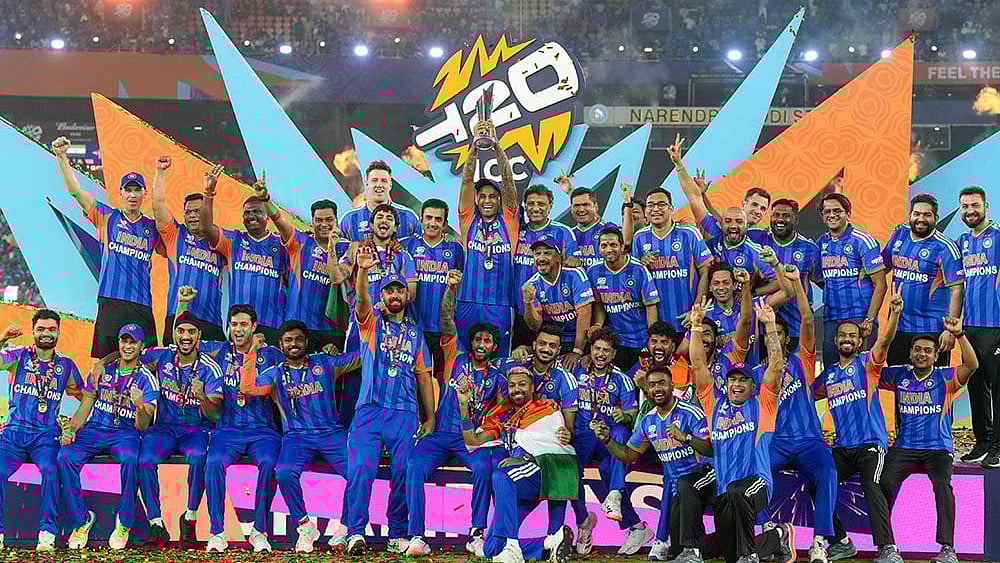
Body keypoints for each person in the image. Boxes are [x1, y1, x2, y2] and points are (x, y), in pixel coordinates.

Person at [403, 270, 505, 557]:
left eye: (487, 341)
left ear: (495, 347)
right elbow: (447, 319)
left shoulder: (498, 377)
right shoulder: (456, 357)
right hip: (439, 434)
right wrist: (451, 290)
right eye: (478, 339)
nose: (481, 344)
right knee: (414, 467)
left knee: (483, 469)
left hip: (468, 439)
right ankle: (416, 535)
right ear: (471, 342)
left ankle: (476, 533)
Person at [240, 320, 360, 553]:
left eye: (298, 339)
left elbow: (360, 357)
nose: (293, 344)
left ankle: (345, 528)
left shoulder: (325, 363)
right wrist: (251, 353)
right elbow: (248, 388)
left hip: (331, 433)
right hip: (297, 437)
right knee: (284, 473)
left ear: (306, 342)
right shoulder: (275, 374)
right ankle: (304, 527)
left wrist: (369, 331)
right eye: (288, 340)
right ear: (281, 345)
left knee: (357, 472)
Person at [344, 250, 435, 555]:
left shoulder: (416, 333)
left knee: (403, 471)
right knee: (361, 468)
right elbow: (360, 303)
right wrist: (362, 272)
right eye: (389, 291)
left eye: (399, 290)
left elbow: (423, 376)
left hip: (405, 412)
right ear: (381, 295)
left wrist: (430, 416)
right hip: (370, 409)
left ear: (407, 296)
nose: (394, 295)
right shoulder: (371, 324)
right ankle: (355, 532)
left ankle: (397, 533)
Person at [690, 301, 793, 563]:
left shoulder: (763, 404)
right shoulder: (714, 404)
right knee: (730, 554)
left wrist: (770, 326)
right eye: (733, 379)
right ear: (726, 384)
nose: (737, 384)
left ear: (752, 385)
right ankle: (777, 537)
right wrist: (696, 326)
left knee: (738, 491)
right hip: (725, 492)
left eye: (743, 380)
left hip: (757, 484)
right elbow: (699, 365)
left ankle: (750, 555)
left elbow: (776, 367)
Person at [181, 289, 283, 553]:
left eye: (243, 325)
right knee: (213, 462)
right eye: (234, 325)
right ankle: (217, 533)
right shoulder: (218, 350)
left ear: (254, 327)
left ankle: (259, 531)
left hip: (262, 430)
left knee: (269, 464)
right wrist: (182, 306)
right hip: (228, 429)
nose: (238, 330)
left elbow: (299, 359)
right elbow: (184, 341)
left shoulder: (271, 355)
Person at [813, 283, 904, 563]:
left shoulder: (867, 364)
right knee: (818, 482)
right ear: (835, 341)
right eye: (842, 335)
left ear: (860, 341)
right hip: (842, 448)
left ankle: (888, 548)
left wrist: (893, 314)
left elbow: (884, 342)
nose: (847, 339)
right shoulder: (828, 375)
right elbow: (805, 397)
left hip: (870, 445)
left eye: (852, 335)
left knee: (871, 485)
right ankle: (841, 541)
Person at [756, 266, 839, 563]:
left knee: (828, 473)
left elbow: (807, 319)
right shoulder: (755, 374)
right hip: (775, 441)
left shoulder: (802, 361)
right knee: (752, 475)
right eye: (770, 334)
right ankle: (771, 532)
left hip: (808, 440)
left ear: (786, 339)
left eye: (779, 334)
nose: (774, 339)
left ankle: (819, 543)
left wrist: (797, 285)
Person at [53, 136, 163, 356]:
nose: (132, 195)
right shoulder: (107, 217)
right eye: (128, 190)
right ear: (121, 193)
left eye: (137, 190)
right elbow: (75, 191)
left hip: (141, 303)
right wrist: (61, 156)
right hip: (110, 300)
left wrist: (161, 173)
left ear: (145, 194)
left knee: (146, 360)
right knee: (105, 361)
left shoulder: (153, 227)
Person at [594, 363, 715, 563]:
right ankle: (701, 548)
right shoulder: (647, 421)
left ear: (671, 386)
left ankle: (693, 553)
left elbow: (710, 449)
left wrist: (685, 437)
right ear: (647, 390)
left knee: (686, 485)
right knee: (677, 547)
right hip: (678, 489)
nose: (657, 388)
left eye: (662, 383)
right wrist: (608, 441)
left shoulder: (690, 412)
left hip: (706, 476)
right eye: (652, 385)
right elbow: (629, 455)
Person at [879, 320, 978, 563]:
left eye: (927, 351)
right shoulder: (898, 374)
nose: (921, 354)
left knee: (943, 485)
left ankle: (947, 549)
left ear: (935, 356)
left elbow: (972, 365)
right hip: (904, 447)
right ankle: (886, 547)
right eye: (917, 350)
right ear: (910, 353)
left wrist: (959, 335)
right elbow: (873, 369)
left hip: (938, 448)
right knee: (883, 484)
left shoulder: (945, 377)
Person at [456, 367, 577, 563]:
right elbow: (472, 441)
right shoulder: (502, 415)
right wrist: (463, 407)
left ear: (532, 387)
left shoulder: (546, 407)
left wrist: (524, 458)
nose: (516, 389)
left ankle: (512, 545)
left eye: (522, 384)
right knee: (490, 548)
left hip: (544, 470)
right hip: (523, 478)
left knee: (501, 476)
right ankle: (549, 543)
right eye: (512, 385)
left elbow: (553, 446)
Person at [59, 324, 159, 550]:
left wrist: (140, 405)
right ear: (118, 344)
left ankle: (124, 521)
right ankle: (81, 520)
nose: (128, 346)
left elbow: (143, 425)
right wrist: (71, 429)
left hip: (125, 432)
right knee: (65, 457)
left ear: (141, 346)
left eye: (133, 342)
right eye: (124, 341)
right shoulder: (102, 371)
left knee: (131, 460)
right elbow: (85, 407)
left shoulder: (147, 379)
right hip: (96, 428)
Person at [134, 312, 224, 548]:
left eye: (191, 332)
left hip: (195, 429)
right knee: (144, 460)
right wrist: (101, 363)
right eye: (181, 331)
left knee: (199, 456)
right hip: (164, 428)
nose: (185, 336)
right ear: (174, 334)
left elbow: (215, 415)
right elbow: (129, 352)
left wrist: (202, 396)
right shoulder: (161, 356)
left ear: (199, 335)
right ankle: (156, 524)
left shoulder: (210, 369)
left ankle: (190, 517)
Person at [0, 311, 86, 551]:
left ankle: (47, 533)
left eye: (51, 329)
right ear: (33, 331)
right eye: (41, 329)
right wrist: (3, 337)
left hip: (45, 436)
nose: (46, 333)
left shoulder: (66, 365)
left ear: (58, 332)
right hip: (14, 433)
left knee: (51, 470)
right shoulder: (18, 355)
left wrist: (75, 424)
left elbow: (83, 396)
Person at [566, 328, 652, 556]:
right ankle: (585, 523)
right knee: (570, 473)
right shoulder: (576, 371)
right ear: (590, 350)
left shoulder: (622, 379)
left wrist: (623, 416)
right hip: (582, 434)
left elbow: (632, 415)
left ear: (613, 354)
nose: (600, 354)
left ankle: (615, 493)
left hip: (608, 436)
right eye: (597, 349)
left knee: (618, 440)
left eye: (606, 350)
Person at [503, 324, 579, 535]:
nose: (546, 349)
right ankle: (505, 538)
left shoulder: (566, 379)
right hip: (516, 441)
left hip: (548, 447)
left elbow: (569, 428)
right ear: (534, 345)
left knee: (565, 464)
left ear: (559, 350)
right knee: (510, 493)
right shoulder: (516, 363)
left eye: (552, 346)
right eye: (543, 343)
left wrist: (568, 434)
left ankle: (558, 535)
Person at [669, 135, 774, 286]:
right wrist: (679, 165)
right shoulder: (715, 229)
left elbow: (778, 281)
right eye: (755, 205)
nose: (758, 211)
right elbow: (694, 198)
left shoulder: (762, 238)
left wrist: (753, 292)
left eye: (763, 208)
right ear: (743, 204)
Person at [200, 173, 289, 345]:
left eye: (257, 212)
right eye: (247, 213)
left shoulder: (281, 244)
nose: (251, 216)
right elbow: (206, 227)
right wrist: (209, 193)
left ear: (267, 216)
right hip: (239, 325)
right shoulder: (233, 240)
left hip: (272, 324)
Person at [456, 120, 520, 355]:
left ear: (500, 199)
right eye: (482, 196)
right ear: (476, 199)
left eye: (492, 196)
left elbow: (508, 181)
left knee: (498, 360)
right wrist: (475, 145)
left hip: (500, 304)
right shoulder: (468, 220)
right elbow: (466, 181)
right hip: (467, 300)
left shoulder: (509, 221)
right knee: (464, 357)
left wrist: (496, 145)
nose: (487, 200)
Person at [150, 156, 227, 344]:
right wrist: (160, 171)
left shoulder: (220, 240)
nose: (193, 216)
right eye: (188, 212)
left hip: (211, 322)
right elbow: (158, 205)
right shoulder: (175, 235)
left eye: (198, 211)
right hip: (177, 318)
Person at [882, 194, 965, 367]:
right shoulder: (899, 235)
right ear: (910, 215)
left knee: (932, 382)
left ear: (936, 218)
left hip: (932, 330)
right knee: (899, 380)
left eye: (927, 215)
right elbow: (881, 269)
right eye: (917, 214)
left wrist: (950, 331)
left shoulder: (945, 247)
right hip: (898, 327)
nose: (921, 219)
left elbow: (957, 289)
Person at [262, 195, 349, 352]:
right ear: (312, 221)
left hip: (331, 331)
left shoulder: (346, 249)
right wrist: (266, 199)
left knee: (327, 369)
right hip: (298, 327)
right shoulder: (300, 242)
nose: (324, 224)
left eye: (329, 220)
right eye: (319, 220)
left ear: (336, 220)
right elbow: (279, 219)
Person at [955, 186, 1000, 467]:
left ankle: (998, 446)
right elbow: (958, 286)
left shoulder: (998, 237)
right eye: (965, 206)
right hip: (970, 327)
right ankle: (982, 441)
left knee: (998, 389)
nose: (970, 211)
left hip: (996, 326)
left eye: (975, 205)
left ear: (986, 207)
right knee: (976, 386)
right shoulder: (961, 242)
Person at [816, 192, 887, 365]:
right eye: (827, 211)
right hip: (831, 318)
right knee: (832, 371)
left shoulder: (863, 241)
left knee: (862, 373)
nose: (832, 215)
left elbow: (881, 285)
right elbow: (817, 276)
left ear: (848, 214)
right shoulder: (821, 243)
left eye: (837, 211)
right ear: (822, 216)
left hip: (860, 317)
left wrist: (869, 319)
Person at [631, 187, 713, 332]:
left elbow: (706, 272)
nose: (656, 209)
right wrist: (641, 265)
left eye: (661, 204)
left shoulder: (689, 234)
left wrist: (696, 309)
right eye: (651, 205)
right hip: (655, 325)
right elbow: (634, 282)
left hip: (688, 320)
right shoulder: (639, 237)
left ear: (671, 208)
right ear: (646, 211)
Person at [401, 198, 465, 372]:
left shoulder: (455, 249)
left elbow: (460, 285)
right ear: (421, 219)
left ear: (445, 224)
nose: (432, 223)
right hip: (412, 325)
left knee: (440, 376)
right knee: (414, 376)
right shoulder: (406, 245)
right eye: (429, 217)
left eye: (438, 219)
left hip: (442, 328)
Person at [512, 184, 579, 349]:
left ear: (550, 206)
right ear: (525, 206)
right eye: (531, 203)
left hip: (550, 316)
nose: (536, 208)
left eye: (541, 204)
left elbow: (574, 265)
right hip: (518, 311)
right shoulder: (516, 231)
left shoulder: (563, 232)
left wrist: (574, 260)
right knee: (520, 357)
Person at [587, 226, 660, 372]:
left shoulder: (639, 270)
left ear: (622, 247)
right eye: (604, 246)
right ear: (599, 249)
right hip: (616, 342)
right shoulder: (593, 271)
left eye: (613, 245)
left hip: (640, 340)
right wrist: (598, 324)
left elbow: (651, 306)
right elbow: (600, 304)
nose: (609, 250)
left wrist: (652, 340)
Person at [757, 198, 822, 353]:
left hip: (797, 327)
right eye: (776, 215)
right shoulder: (758, 241)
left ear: (796, 219)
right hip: (763, 327)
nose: (780, 219)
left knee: (797, 369)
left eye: (786, 216)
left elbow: (822, 281)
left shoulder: (809, 249)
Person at [522, 237, 593, 367]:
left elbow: (585, 314)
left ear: (558, 258)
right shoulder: (532, 284)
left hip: (584, 339)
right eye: (537, 254)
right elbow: (535, 326)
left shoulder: (575, 274)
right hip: (558, 339)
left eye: (547, 253)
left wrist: (577, 351)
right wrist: (528, 303)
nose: (541, 258)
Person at [339, 204, 418, 306]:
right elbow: (337, 277)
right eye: (380, 217)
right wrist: (331, 246)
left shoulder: (403, 256)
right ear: (371, 225)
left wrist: (388, 305)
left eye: (389, 218)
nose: (384, 221)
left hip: (390, 315)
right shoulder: (358, 251)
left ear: (395, 228)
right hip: (361, 313)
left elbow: (411, 295)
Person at [339, 160, 421, 241]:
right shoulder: (348, 220)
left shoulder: (409, 217)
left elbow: (422, 246)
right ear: (367, 184)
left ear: (390, 185)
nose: (379, 185)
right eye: (374, 180)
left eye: (384, 181)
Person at [562, 178, 633, 268]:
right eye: (576, 206)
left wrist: (627, 203)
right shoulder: (568, 234)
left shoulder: (607, 228)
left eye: (585, 205)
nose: (581, 209)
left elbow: (626, 241)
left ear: (595, 207)